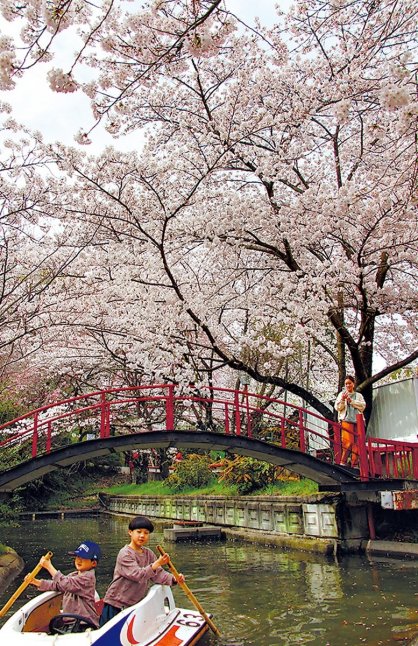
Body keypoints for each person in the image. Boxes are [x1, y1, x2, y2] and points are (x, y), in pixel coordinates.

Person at [100, 515, 184, 627]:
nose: (142, 536)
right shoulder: (125, 554)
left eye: (146, 533)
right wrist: (157, 564)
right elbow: (137, 575)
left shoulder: (148, 553)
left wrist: (174, 578)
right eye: (138, 532)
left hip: (135, 604)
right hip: (117, 603)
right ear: (130, 532)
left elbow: (158, 574)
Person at [27, 540, 101, 629]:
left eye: (84, 558)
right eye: (77, 557)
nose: (79, 560)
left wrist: (49, 567)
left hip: (84, 624)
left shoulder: (88, 578)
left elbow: (66, 584)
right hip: (70, 623)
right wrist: (36, 582)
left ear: (93, 563)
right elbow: (58, 585)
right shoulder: (73, 575)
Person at [334, 375, 366, 467]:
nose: (348, 385)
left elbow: (362, 406)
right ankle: (343, 462)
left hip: (358, 421)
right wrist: (343, 400)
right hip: (346, 420)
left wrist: (351, 401)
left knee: (357, 444)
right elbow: (338, 408)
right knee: (348, 442)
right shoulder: (341, 394)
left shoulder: (358, 395)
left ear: (353, 384)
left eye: (350, 383)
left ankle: (354, 464)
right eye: (346, 384)